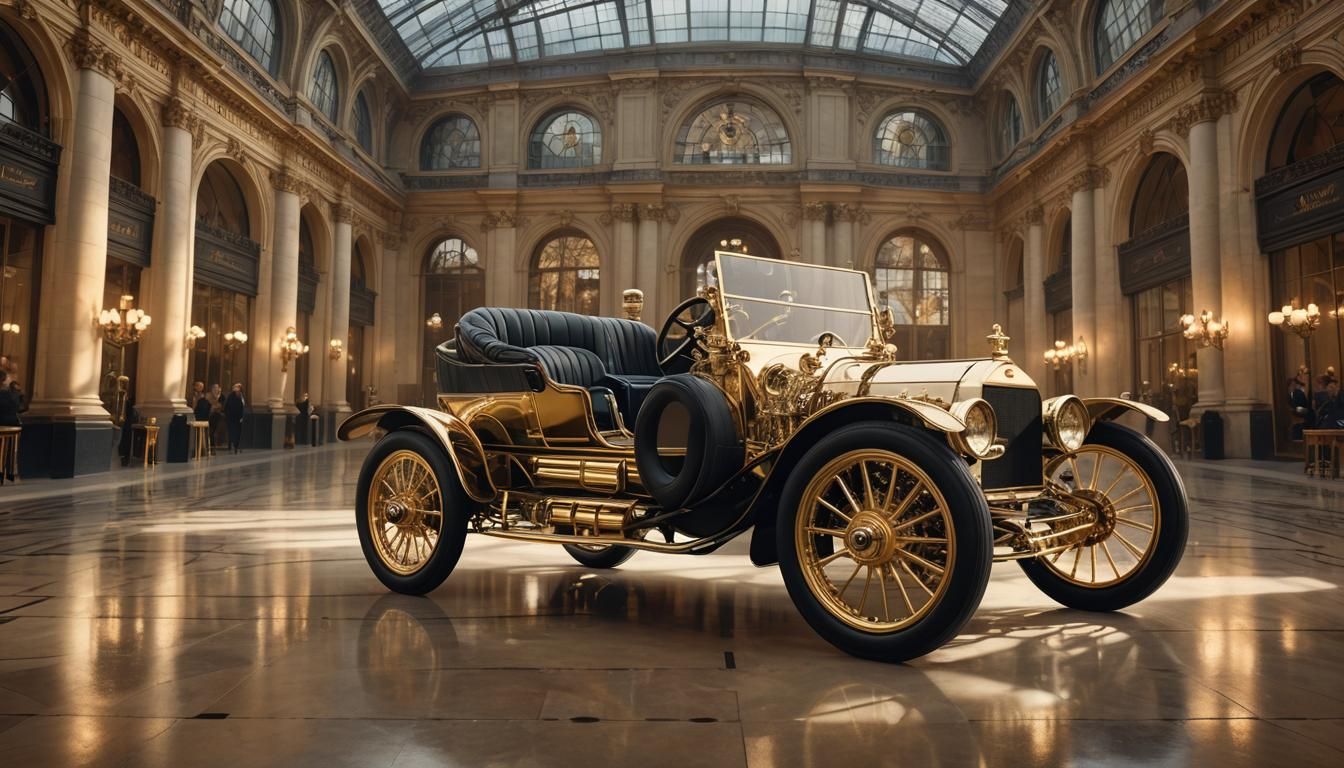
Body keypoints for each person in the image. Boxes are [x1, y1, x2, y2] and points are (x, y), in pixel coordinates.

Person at [1288, 367, 1312, 442]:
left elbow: (1306, 406)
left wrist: (1297, 409)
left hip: (1303, 420)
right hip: (1294, 421)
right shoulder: (1291, 394)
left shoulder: (1299, 392)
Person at [224, 383, 246, 453]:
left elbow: (243, 406)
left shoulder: (242, 396)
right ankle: (233, 445)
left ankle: (237, 446)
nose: (236, 389)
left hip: (239, 417)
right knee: (233, 432)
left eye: (238, 388)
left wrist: (242, 416)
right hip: (232, 417)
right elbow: (228, 407)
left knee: (239, 432)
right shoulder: (231, 396)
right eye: (235, 388)